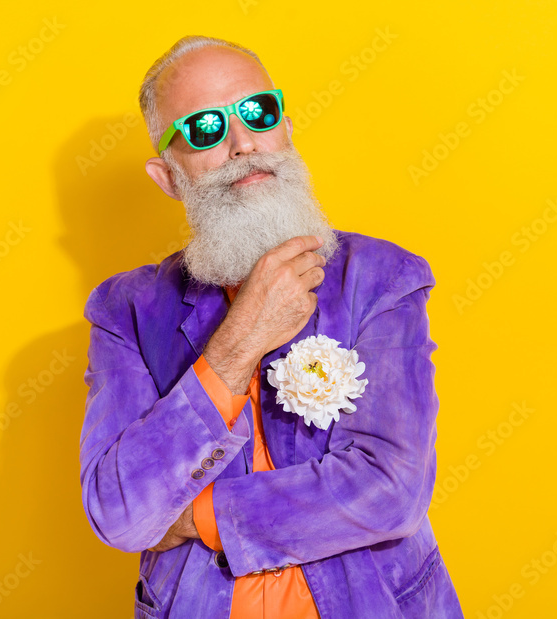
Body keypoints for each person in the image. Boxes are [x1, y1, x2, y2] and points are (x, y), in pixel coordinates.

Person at [78, 35, 464, 619]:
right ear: (167, 176)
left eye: (258, 112)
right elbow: (120, 510)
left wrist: (194, 516)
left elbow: (391, 491)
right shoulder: (126, 310)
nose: (243, 144)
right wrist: (241, 340)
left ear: (285, 128)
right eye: (204, 128)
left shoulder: (382, 278)